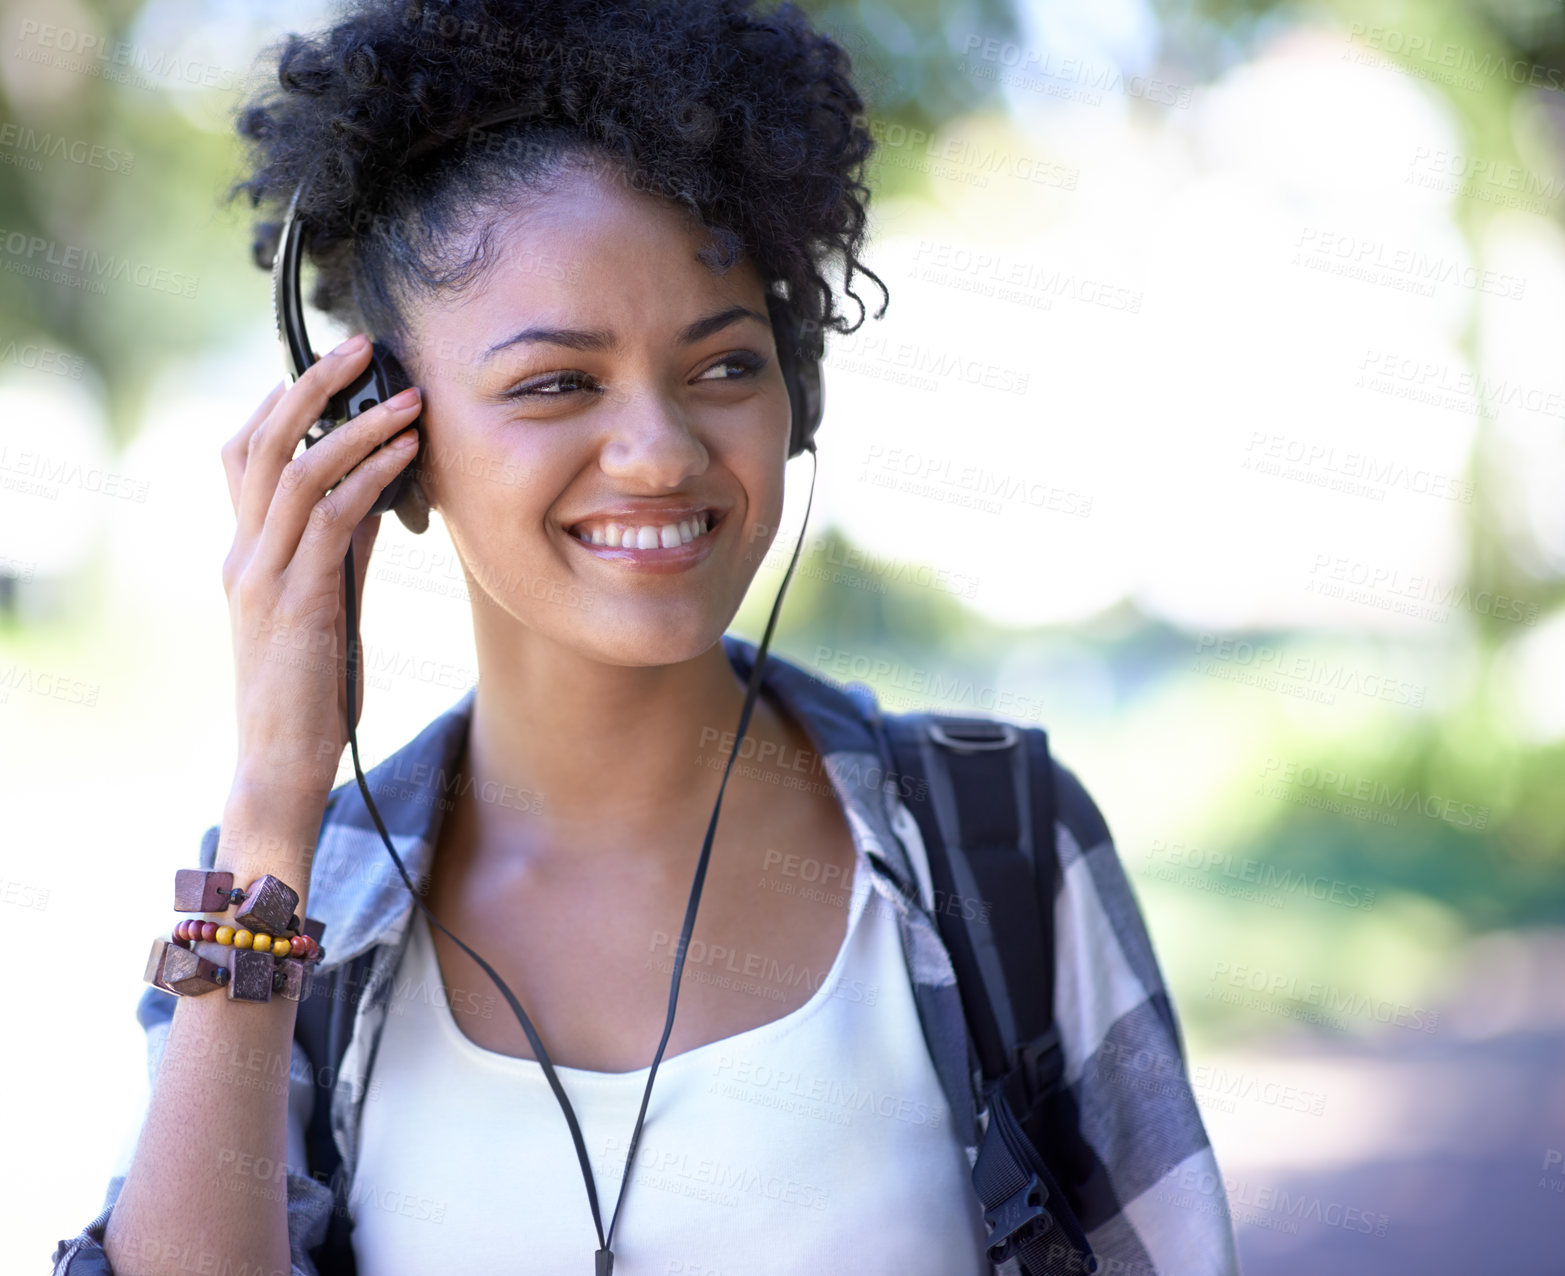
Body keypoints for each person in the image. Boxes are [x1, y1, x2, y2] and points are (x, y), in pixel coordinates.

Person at [52, 1, 1241, 1273]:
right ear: (384, 432)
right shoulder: (288, 912)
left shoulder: (999, 844)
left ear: (798, 387)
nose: (660, 452)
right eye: (557, 381)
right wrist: (274, 802)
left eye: (723, 366)